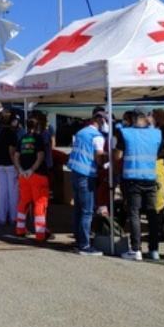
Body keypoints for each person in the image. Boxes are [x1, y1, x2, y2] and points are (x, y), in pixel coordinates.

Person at [116, 109, 163, 261]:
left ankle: (136, 250)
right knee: (152, 214)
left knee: (134, 214)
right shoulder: (156, 133)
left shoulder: (125, 133)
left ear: (133, 119)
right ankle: (154, 250)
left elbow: (117, 155)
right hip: (150, 178)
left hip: (132, 178)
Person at [68, 108, 108, 255]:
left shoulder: (81, 132)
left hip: (75, 172)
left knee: (78, 209)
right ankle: (84, 245)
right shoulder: (97, 137)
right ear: (100, 120)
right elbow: (98, 157)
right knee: (87, 212)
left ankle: (79, 241)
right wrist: (106, 160)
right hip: (87, 174)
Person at [15, 116, 52, 242]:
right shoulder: (38, 138)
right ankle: (41, 233)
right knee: (40, 203)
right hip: (37, 175)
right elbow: (40, 156)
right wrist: (32, 169)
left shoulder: (22, 138)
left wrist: (21, 170)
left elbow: (16, 156)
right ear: (38, 127)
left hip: (23, 176)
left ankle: (20, 229)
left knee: (24, 202)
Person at [0, 110, 19, 226]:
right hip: (10, 164)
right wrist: (18, 166)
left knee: (2, 192)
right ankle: (13, 217)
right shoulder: (12, 133)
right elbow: (12, 152)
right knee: (13, 193)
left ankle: (1, 217)